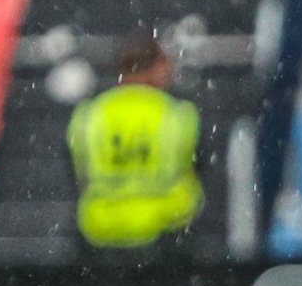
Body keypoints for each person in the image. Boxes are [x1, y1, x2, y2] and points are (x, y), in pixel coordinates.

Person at [67, 34, 203, 250]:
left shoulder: (89, 115)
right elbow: (196, 170)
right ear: (155, 67)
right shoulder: (178, 115)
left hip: (101, 235)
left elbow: (79, 176)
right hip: (166, 238)